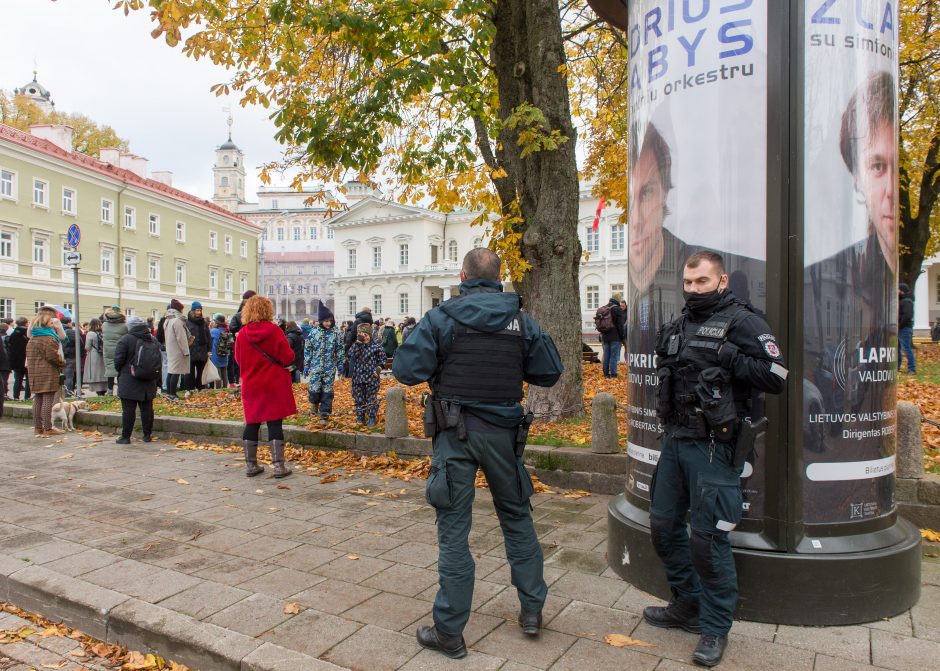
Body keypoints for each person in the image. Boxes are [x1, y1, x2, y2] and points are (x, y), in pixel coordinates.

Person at [393, 248, 563, 659]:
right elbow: (549, 370)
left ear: (463, 275)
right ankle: (532, 610)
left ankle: (449, 631)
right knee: (517, 518)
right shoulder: (522, 321)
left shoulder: (442, 318)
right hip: (504, 436)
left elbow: (405, 370)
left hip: (455, 435)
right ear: (499, 277)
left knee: (454, 530)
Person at [644, 251, 787, 668]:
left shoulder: (744, 322)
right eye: (688, 283)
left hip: (715, 447)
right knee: (663, 526)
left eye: (702, 282)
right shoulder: (679, 323)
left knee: (707, 541)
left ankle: (714, 628)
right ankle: (685, 604)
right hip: (675, 440)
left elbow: (776, 376)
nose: (693, 289)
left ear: (721, 282)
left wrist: (730, 358)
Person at [234, 295, 296, 478]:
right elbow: (287, 357)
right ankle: (278, 467)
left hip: (251, 383)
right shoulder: (274, 330)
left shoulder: (243, 334)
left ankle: (251, 465)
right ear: (267, 310)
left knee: (252, 422)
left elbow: (238, 360)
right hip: (274, 383)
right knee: (274, 422)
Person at [113, 315, 160, 443]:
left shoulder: (125, 340)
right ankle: (147, 435)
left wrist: (122, 372)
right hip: (149, 379)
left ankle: (126, 437)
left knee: (128, 410)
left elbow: (118, 361)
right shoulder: (153, 340)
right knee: (147, 409)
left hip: (129, 379)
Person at [25, 306, 66, 436]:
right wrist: (62, 362)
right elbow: (52, 356)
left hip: (34, 371)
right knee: (48, 398)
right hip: (47, 371)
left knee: (38, 398)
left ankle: (38, 427)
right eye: (50, 322)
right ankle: (48, 428)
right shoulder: (49, 338)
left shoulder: (32, 339)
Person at [304, 302, 344, 426]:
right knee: (315, 389)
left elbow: (340, 349)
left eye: (330, 321)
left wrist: (340, 364)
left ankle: (324, 414)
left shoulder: (336, 333)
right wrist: (306, 365)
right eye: (325, 321)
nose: (328, 323)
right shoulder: (314, 333)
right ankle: (314, 405)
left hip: (329, 368)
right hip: (316, 367)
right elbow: (308, 349)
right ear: (321, 321)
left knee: (327, 390)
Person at [347, 324, 385, 426]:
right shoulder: (357, 346)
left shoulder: (376, 347)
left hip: (372, 378)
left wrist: (378, 368)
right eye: (362, 334)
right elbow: (351, 354)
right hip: (358, 377)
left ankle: (371, 417)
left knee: (371, 398)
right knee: (359, 398)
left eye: (366, 334)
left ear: (370, 335)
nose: (365, 337)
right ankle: (360, 417)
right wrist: (358, 343)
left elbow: (382, 359)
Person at [163, 302, 190, 400]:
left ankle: (170, 393)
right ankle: (173, 394)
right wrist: (186, 351)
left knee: (171, 371)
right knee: (175, 372)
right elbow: (181, 338)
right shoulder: (177, 321)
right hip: (177, 349)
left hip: (170, 348)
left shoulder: (167, 320)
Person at [597, 294, 625, 378]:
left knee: (606, 355)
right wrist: (622, 337)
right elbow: (620, 325)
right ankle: (613, 374)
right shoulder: (617, 309)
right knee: (613, 356)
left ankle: (605, 374)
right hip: (615, 337)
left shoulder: (604, 308)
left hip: (605, 336)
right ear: (618, 300)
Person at [101, 306, 128, 395]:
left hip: (108, 349)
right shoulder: (125, 326)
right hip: (120, 349)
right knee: (121, 369)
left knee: (110, 369)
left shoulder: (104, 325)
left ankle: (109, 390)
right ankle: (121, 389)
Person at [186, 302, 211, 390]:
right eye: (197, 310)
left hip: (202, 350)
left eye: (200, 310)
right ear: (193, 311)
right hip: (191, 350)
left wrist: (209, 350)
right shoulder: (187, 322)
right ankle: (190, 389)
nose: (199, 312)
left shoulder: (203, 323)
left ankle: (201, 388)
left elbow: (208, 336)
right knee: (190, 373)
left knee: (201, 372)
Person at [82, 319, 108, 396]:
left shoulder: (90, 333)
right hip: (103, 354)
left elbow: (87, 347)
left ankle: (98, 391)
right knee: (102, 372)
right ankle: (104, 390)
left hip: (93, 355)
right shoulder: (103, 333)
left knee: (95, 373)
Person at [8, 318, 30, 400]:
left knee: (18, 379)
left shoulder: (13, 334)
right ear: (25, 324)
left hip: (16, 360)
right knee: (28, 379)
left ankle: (16, 396)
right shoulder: (27, 333)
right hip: (26, 359)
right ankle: (27, 396)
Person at [210, 314, 233, 389]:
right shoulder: (227, 331)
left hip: (216, 356)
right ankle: (225, 388)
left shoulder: (214, 331)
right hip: (225, 355)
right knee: (224, 373)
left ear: (217, 322)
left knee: (218, 374)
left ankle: (219, 391)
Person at [898, 282, 915, 374]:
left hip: (904, 328)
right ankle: (897, 366)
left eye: (898, 290)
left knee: (906, 348)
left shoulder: (906, 301)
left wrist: (900, 325)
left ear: (902, 291)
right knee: (898, 348)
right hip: (901, 328)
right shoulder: (903, 300)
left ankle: (912, 369)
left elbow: (907, 316)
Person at [61, 316, 78, 396]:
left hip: (59, 356)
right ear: (68, 322)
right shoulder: (70, 331)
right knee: (68, 376)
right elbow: (79, 343)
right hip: (69, 356)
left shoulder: (56, 330)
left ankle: (60, 393)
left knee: (60, 376)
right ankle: (67, 393)